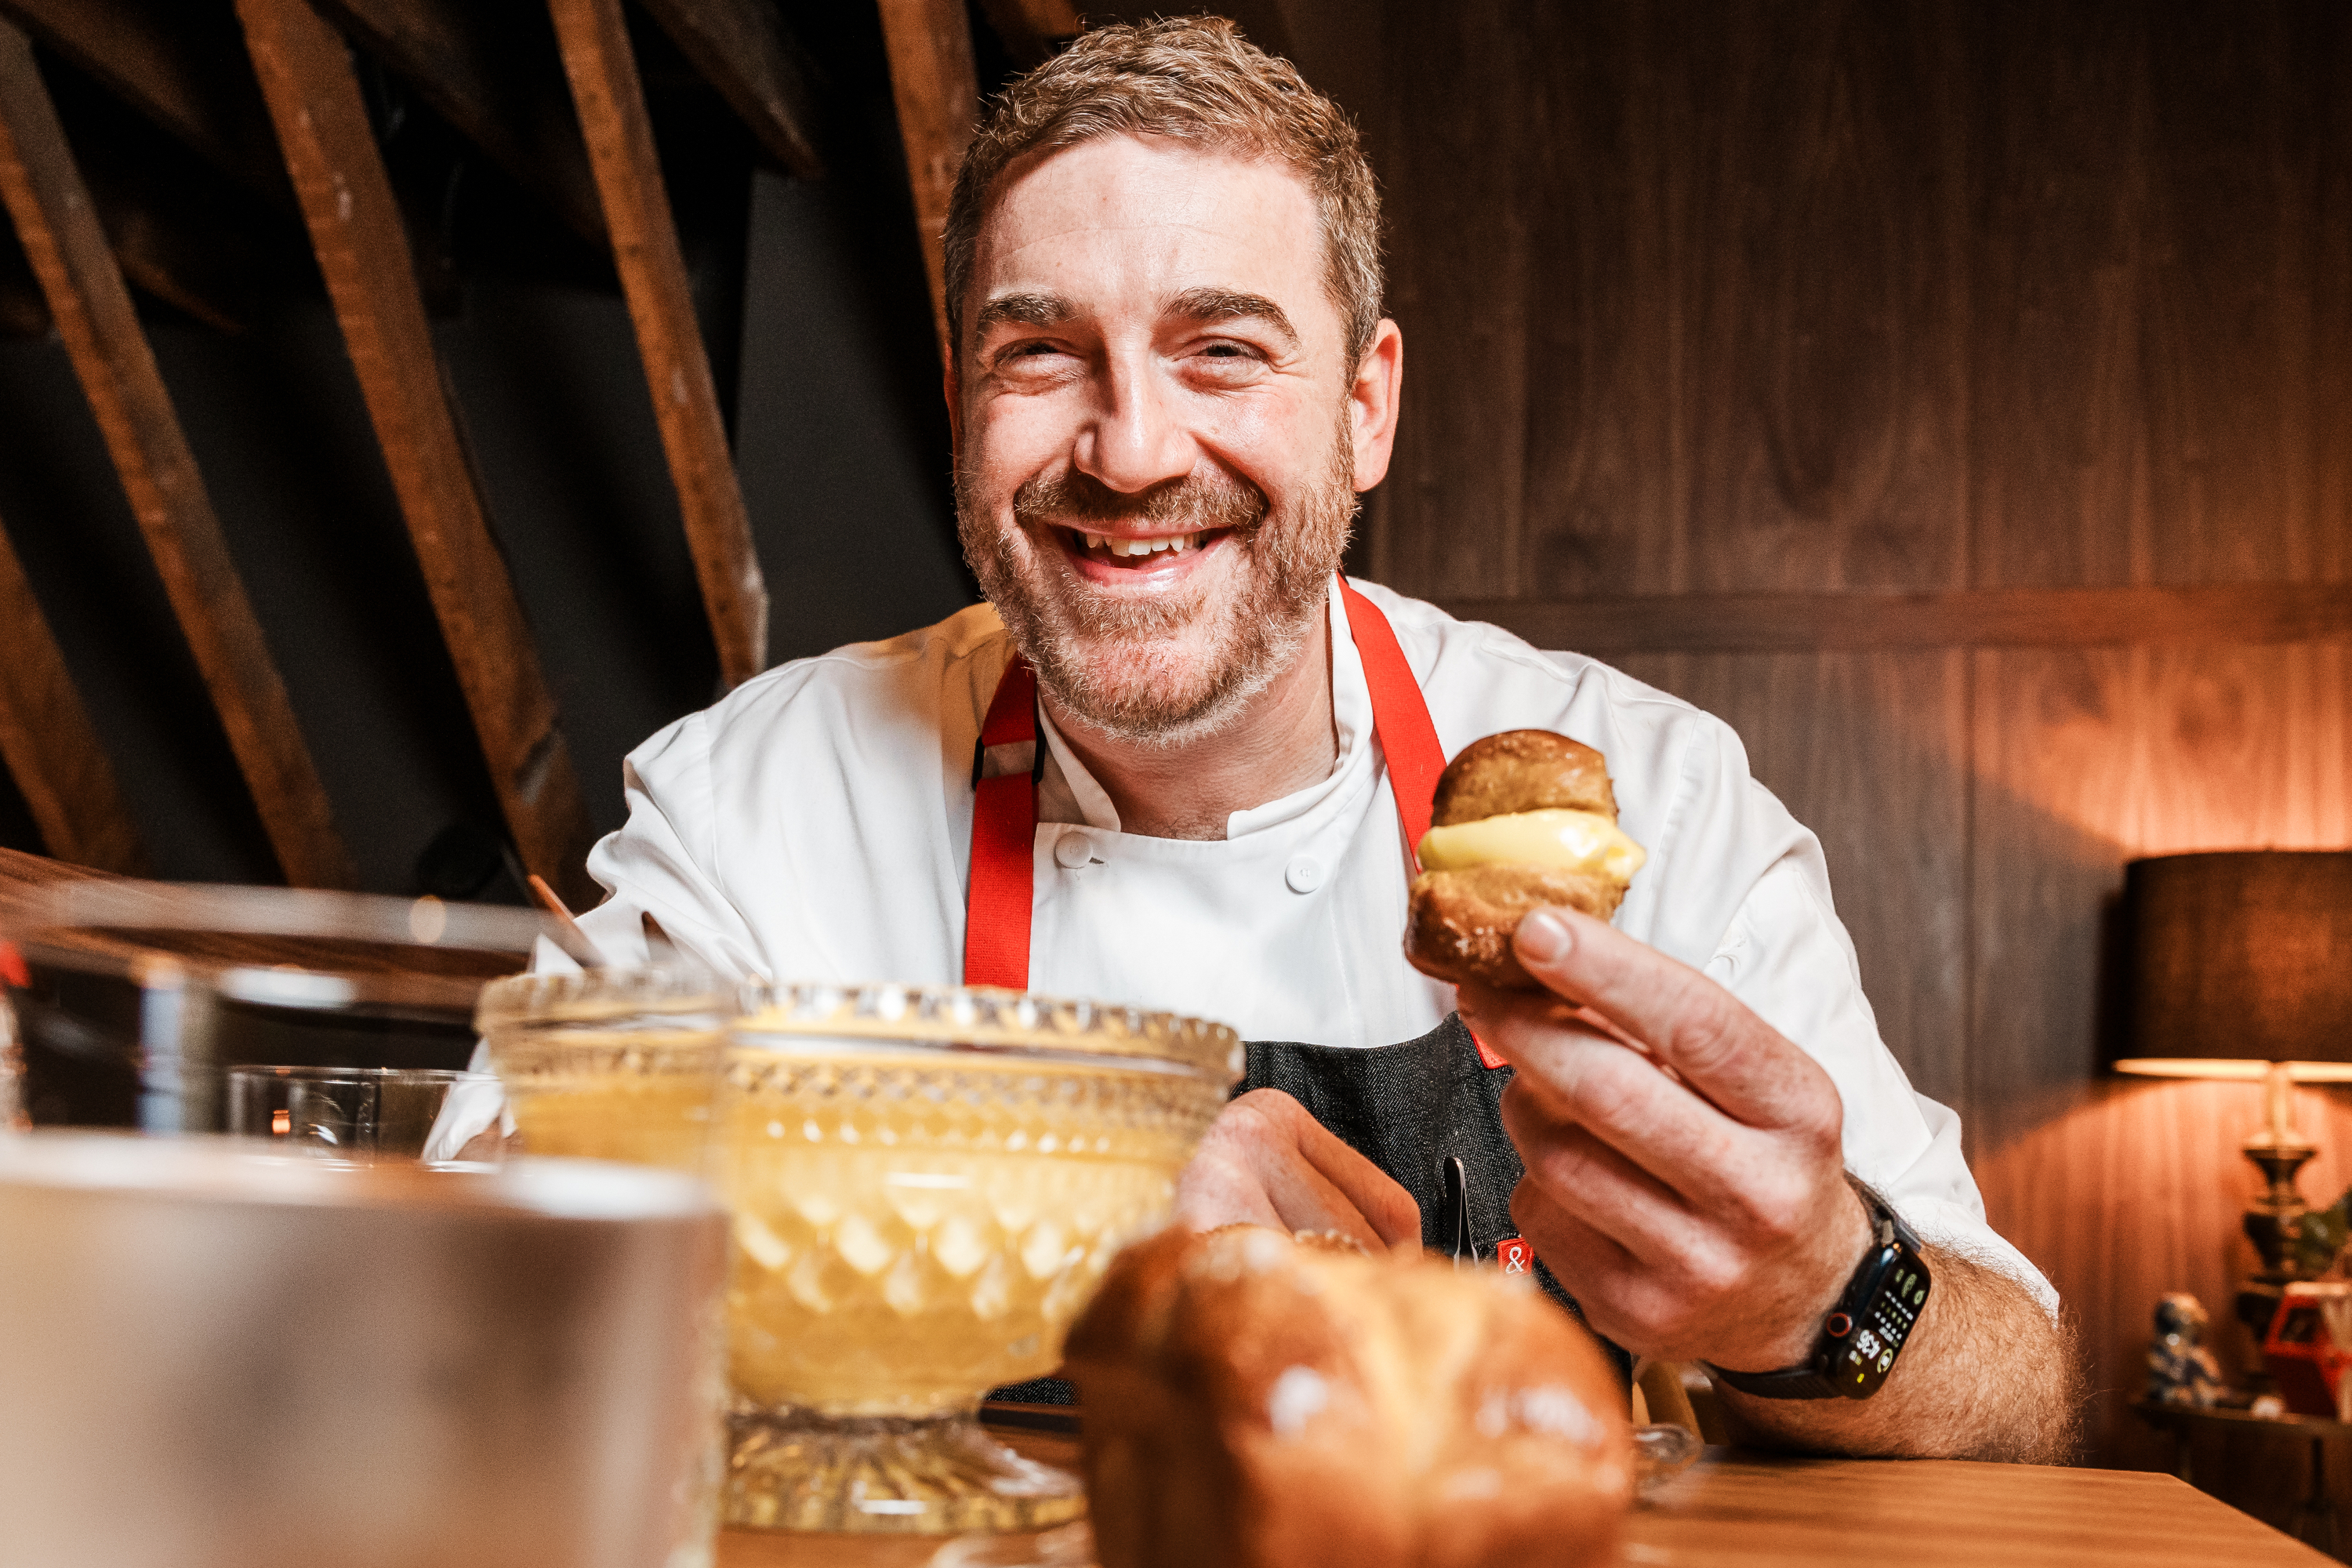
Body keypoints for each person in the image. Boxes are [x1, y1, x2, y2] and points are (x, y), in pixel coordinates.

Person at [537, 19, 2075, 1461]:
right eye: (1040, 354)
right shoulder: (756, 807)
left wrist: (1819, 1296)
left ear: (1365, 408)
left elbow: (2024, 1403)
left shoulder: (1649, 796)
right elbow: (490, 1272)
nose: (1130, 450)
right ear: (959, 404)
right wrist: (1090, 1220)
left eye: (1221, 350)